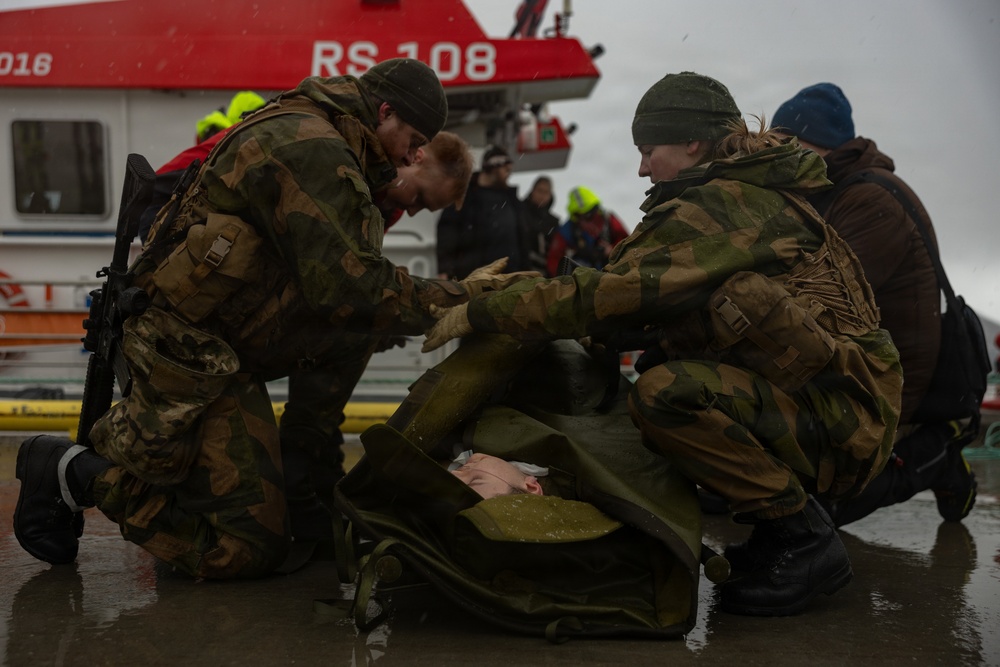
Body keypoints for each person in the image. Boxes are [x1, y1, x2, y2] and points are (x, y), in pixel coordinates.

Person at [13, 58, 520, 580]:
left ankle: (303, 488)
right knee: (245, 548)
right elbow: (352, 289)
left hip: (228, 337)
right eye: (413, 140)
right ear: (385, 112)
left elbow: (341, 291)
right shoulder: (314, 146)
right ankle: (71, 471)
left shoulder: (334, 142)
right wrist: (459, 299)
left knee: (355, 333)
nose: (415, 155)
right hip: (189, 350)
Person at [421, 71, 903, 616]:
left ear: (692, 142)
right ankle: (778, 532)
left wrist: (480, 310)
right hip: (838, 403)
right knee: (663, 359)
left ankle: (804, 538)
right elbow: (630, 291)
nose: (642, 168)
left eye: (649, 151)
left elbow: (604, 295)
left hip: (844, 421)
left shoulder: (720, 207)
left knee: (666, 395)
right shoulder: (745, 192)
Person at [772, 83, 976, 525]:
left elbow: (822, 298)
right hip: (858, 366)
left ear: (815, 144)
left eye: (784, 144)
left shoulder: (869, 199)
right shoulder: (831, 194)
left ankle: (935, 452)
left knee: (816, 514)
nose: (775, 156)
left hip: (892, 381)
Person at [436, 145, 525, 279]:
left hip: (508, 278)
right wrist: (445, 269)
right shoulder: (465, 196)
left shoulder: (512, 200)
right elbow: (447, 232)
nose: (509, 173)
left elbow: (522, 238)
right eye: (505, 169)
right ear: (492, 167)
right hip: (471, 276)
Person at [546, 185, 629, 276]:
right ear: (576, 218)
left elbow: (628, 243)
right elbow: (553, 260)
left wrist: (613, 250)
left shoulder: (609, 220)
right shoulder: (567, 230)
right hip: (580, 279)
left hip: (611, 276)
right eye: (582, 217)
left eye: (591, 215)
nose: (588, 221)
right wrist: (568, 277)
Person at [518, 175, 559, 275]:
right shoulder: (519, 212)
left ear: (550, 195)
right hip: (519, 269)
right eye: (540, 191)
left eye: (546, 192)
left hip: (544, 274)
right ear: (533, 191)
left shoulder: (553, 222)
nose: (542, 195)